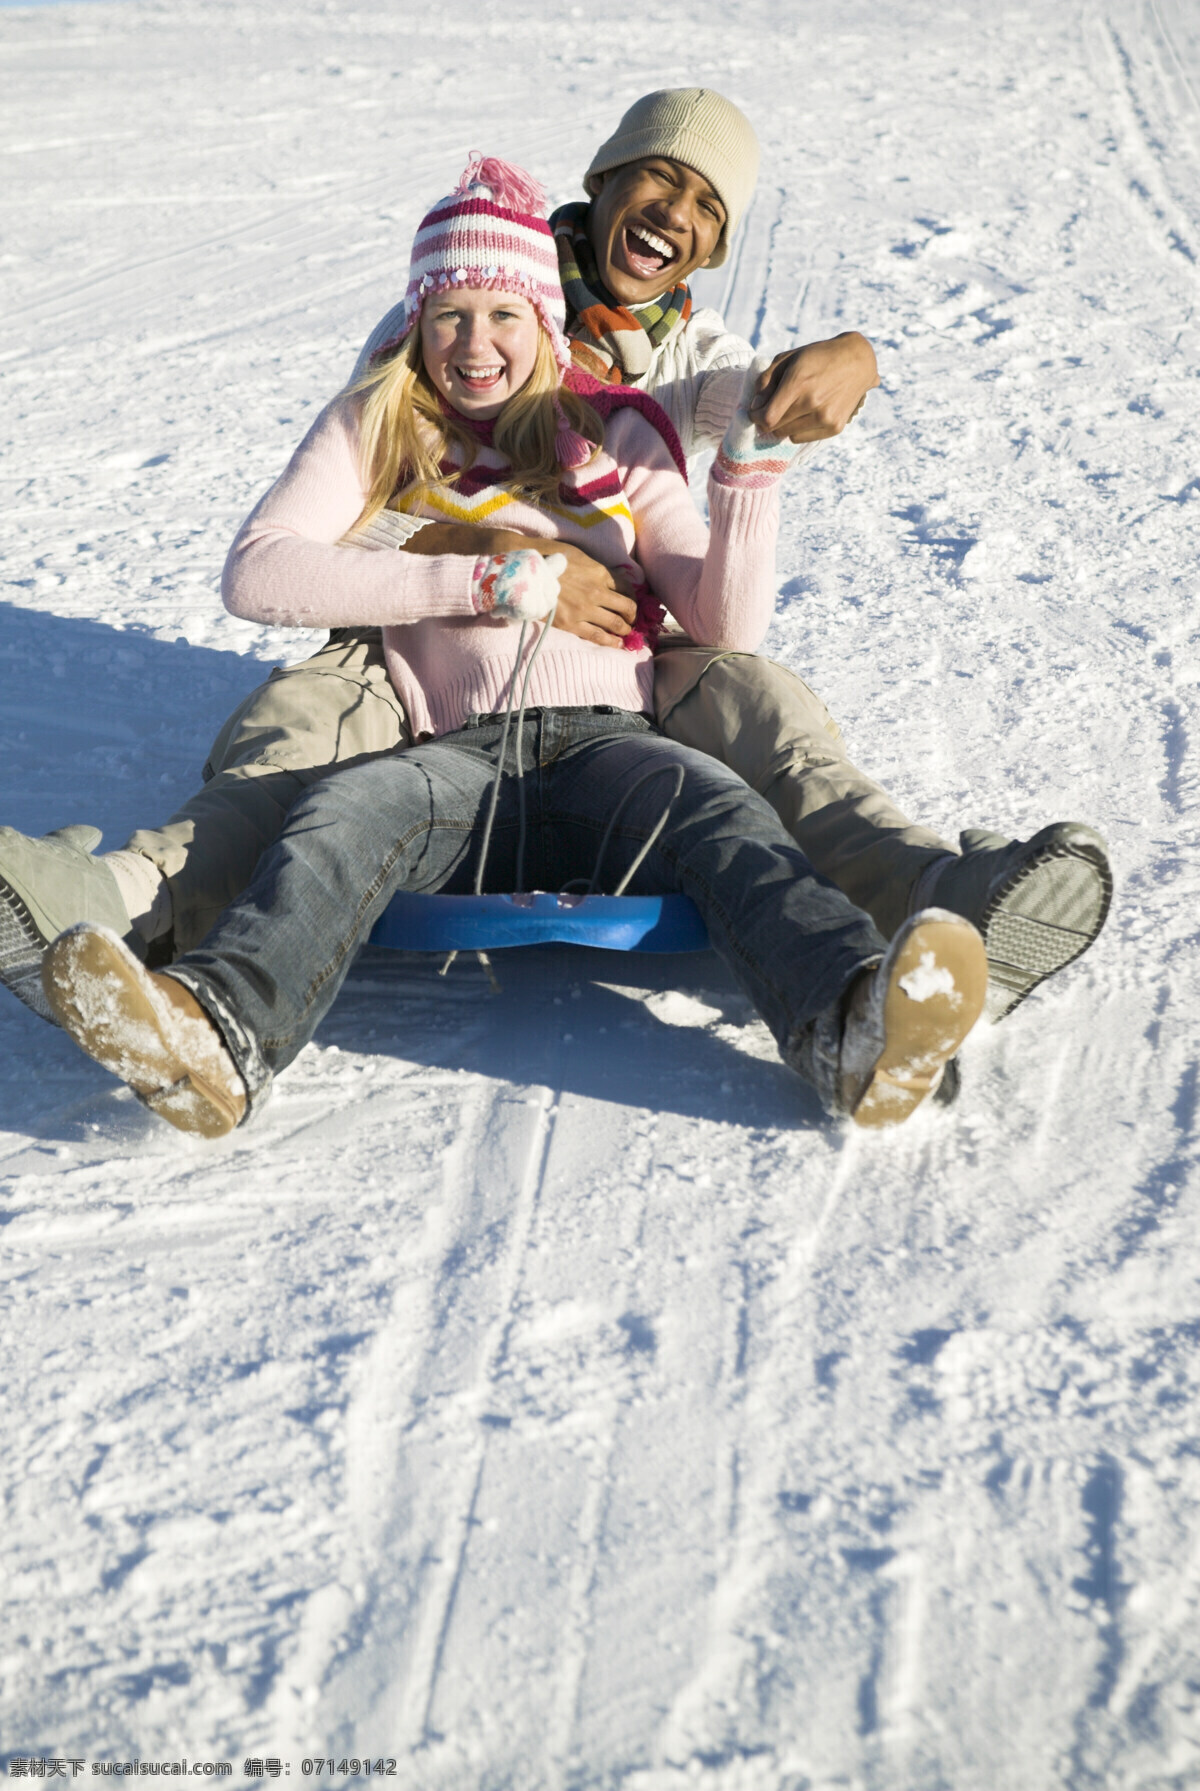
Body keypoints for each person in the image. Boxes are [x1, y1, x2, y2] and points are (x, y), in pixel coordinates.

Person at [0, 89, 1110, 1030]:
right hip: (414, 631)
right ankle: (117, 899)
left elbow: (732, 410)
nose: (671, 216)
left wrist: (843, 366)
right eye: (656, 181)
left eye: (704, 207)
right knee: (297, 743)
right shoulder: (441, 320)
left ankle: (939, 896)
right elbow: (331, 523)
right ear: (607, 180)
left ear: (717, 246)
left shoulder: (671, 373)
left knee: (767, 718)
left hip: (620, 654)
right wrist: (486, 554)